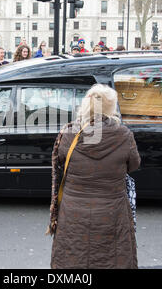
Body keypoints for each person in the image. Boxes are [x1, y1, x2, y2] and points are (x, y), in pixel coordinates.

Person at [47, 84, 140, 269]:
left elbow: (58, 165)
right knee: (114, 256)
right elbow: (134, 165)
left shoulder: (68, 134)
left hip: (73, 212)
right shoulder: (124, 135)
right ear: (111, 107)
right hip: (112, 211)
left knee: (73, 255)